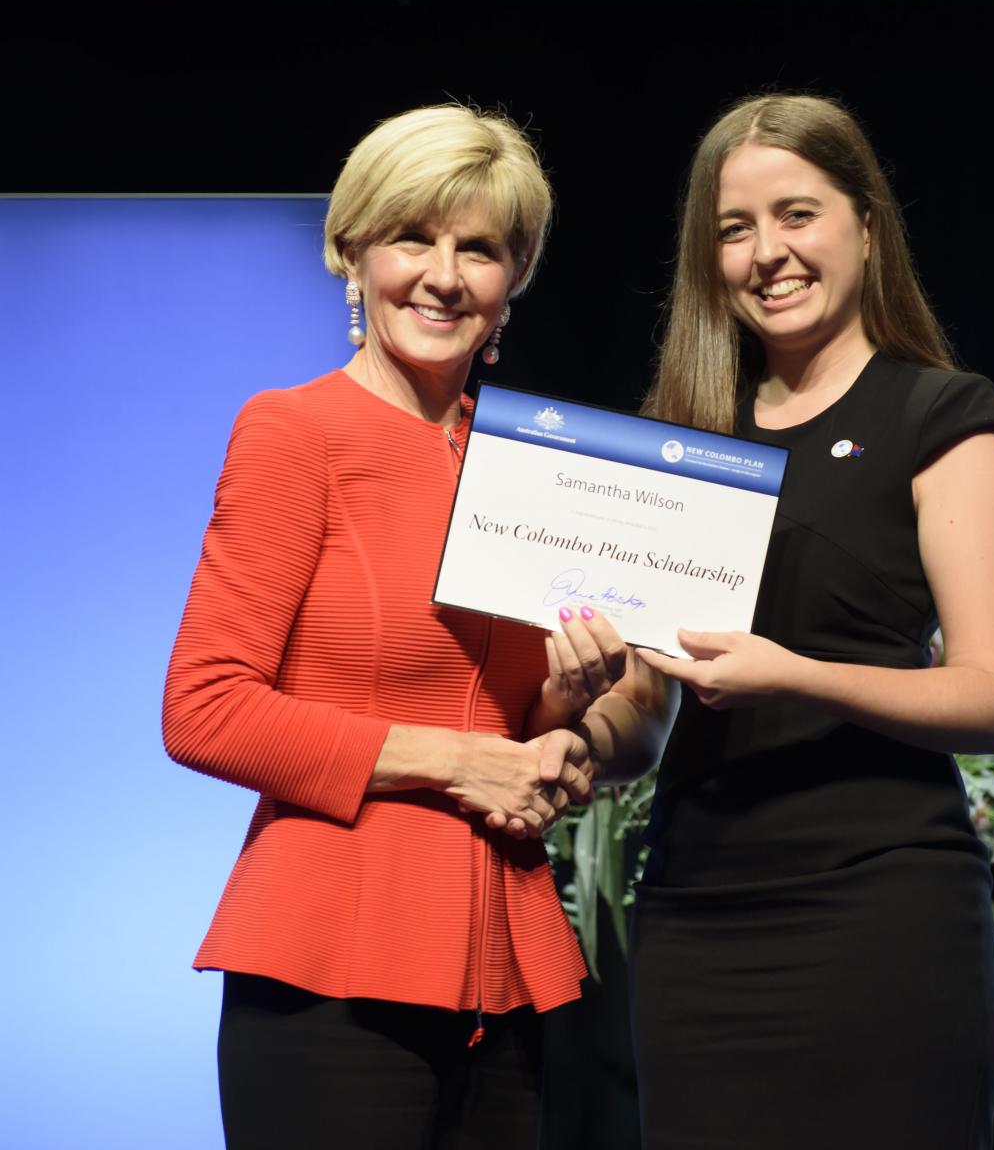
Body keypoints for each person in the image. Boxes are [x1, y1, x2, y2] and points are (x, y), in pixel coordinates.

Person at [162, 103, 668, 1150]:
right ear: (353, 253)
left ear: (514, 279)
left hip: (505, 970)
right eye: (412, 238)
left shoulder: (540, 467)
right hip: (327, 970)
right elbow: (204, 710)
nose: (443, 275)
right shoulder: (291, 432)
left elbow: (526, 717)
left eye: (479, 249)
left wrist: (570, 713)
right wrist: (459, 764)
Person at [630, 94, 994, 1149]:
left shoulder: (941, 419)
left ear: (866, 222)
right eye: (735, 228)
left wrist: (795, 675)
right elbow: (636, 725)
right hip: (697, 920)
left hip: (882, 916)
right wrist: (584, 699)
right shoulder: (680, 439)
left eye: (797, 214)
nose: (769, 252)